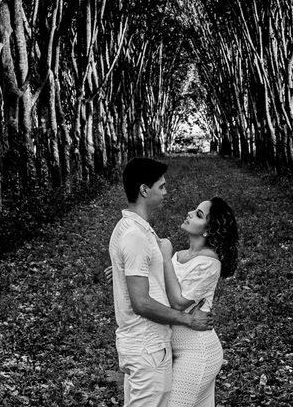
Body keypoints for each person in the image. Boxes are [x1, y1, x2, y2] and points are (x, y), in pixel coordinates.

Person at [109, 158, 214, 407]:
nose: (166, 192)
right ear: (145, 190)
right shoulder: (136, 236)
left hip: (144, 346)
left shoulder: (130, 228)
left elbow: (141, 272)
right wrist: (188, 319)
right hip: (148, 348)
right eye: (161, 187)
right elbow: (142, 303)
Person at [159, 196, 238, 407]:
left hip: (197, 352)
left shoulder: (209, 262)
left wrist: (164, 258)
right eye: (194, 210)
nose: (190, 213)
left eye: (199, 214)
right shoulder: (179, 256)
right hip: (173, 350)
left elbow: (178, 302)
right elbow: (160, 285)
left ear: (207, 230)